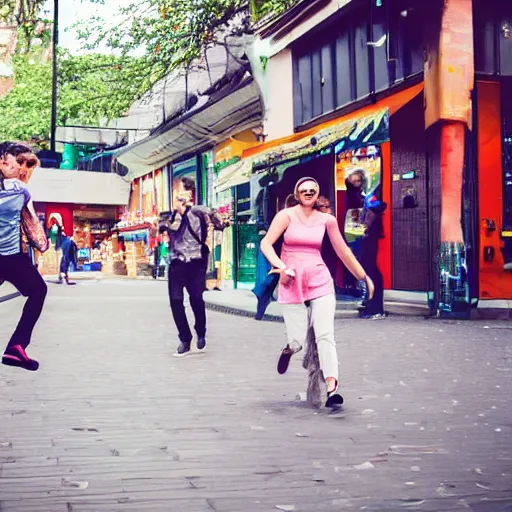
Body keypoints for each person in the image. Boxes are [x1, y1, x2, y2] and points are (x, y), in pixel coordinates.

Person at [260, 177, 374, 409]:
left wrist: (364, 277)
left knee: (325, 336)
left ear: (317, 193)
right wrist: (281, 267)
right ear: (297, 192)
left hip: (320, 280)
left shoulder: (327, 220)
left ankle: (332, 388)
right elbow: (266, 244)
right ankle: (289, 349)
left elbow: (343, 250)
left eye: (313, 189)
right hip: (291, 280)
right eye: (304, 190)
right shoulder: (287, 216)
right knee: (299, 341)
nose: (309, 193)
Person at [0, 142, 48, 371]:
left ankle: (16, 348)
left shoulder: (21, 192)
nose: (24, 169)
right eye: (19, 162)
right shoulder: (19, 191)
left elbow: (32, 227)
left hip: (12, 258)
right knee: (38, 291)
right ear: (3, 161)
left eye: (29, 164)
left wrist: (40, 244)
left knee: (39, 290)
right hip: (8, 258)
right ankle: (15, 347)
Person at [159, 194, 226, 357]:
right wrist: (158, 225)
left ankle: (201, 331)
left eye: (182, 196)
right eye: (176, 197)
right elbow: (162, 231)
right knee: (175, 301)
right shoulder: (169, 216)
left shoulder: (198, 211)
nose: (178, 200)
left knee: (196, 299)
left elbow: (220, 223)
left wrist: (212, 214)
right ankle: (185, 339)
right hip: (176, 263)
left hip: (195, 262)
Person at [252, 194, 298, 320]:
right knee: (271, 279)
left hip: (279, 254)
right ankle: (262, 300)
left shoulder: (285, 216)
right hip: (279, 253)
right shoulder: (285, 218)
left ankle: (262, 303)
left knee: (271, 280)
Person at [359, 191, 387, 319]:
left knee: (371, 273)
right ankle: (374, 307)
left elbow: (365, 225)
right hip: (372, 241)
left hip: (369, 242)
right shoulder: (376, 214)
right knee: (373, 273)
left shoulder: (370, 211)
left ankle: (374, 308)